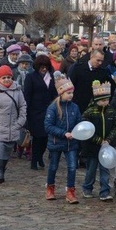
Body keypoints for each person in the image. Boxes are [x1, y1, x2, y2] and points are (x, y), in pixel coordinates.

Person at [44, 74, 82, 204]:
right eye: (68, 93)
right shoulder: (53, 107)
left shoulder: (75, 107)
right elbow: (48, 126)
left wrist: (76, 132)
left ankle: (70, 191)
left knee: (72, 167)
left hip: (71, 143)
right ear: (61, 93)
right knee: (53, 166)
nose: (71, 95)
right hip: (56, 142)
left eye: (72, 93)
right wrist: (63, 133)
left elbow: (79, 122)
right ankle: (50, 188)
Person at [81, 81, 116, 201]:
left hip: (106, 146)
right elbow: (86, 129)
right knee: (91, 169)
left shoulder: (111, 111)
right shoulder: (89, 112)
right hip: (92, 147)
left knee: (105, 169)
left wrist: (108, 140)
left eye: (107, 100)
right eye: (103, 100)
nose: (105, 102)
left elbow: (115, 127)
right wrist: (98, 140)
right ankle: (87, 188)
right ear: (97, 100)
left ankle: (105, 191)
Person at [23, 56, 57, 170]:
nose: (44, 69)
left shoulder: (51, 77)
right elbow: (27, 95)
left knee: (45, 138)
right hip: (35, 112)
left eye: (46, 67)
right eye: (42, 67)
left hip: (49, 111)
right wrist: (26, 112)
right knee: (37, 137)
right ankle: (34, 160)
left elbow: (54, 93)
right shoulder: (31, 77)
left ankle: (40, 156)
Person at [69, 49, 112, 115]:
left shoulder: (103, 72)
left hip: (94, 108)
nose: (100, 63)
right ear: (91, 56)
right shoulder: (78, 68)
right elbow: (71, 85)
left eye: (101, 61)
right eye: (98, 60)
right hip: (78, 105)